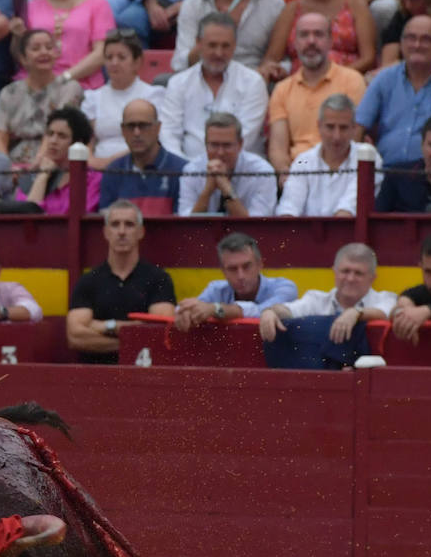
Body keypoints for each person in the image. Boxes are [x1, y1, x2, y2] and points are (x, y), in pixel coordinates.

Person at [65, 200, 176, 363]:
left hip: (145, 376)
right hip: (97, 378)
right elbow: (75, 337)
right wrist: (131, 339)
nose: (122, 231)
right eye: (115, 224)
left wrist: (103, 326)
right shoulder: (88, 281)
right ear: (106, 232)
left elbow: (161, 331)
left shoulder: (159, 278)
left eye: (129, 224)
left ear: (141, 232)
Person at [354, 15, 431, 165]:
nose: (417, 45)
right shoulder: (384, 79)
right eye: (411, 38)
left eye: (426, 39)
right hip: (385, 172)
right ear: (401, 43)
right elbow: (358, 127)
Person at [266, 11, 366, 180]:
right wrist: (288, 178)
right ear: (295, 43)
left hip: (339, 173)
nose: (311, 41)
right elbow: (277, 149)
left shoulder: (352, 80)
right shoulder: (282, 89)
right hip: (297, 172)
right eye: (304, 35)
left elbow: (352, 139)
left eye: (318, 34)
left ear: (330, 41)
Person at [159, 11, 268, 158]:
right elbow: (168, 134)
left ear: (234, 46)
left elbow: (246, 137)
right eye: (212, 45)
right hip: (186, 170)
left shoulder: (252, 82)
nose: (218, 53)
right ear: (198, 43)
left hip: (240, 170)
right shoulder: (178, 83)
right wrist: (185, 168)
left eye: (225, 46)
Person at [258, 242, 398, 344]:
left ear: (372, 278)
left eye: (358, 273)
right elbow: (289, 310)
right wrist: (271, 311)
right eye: (345, 271)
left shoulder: (387, 298)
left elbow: (384, 312)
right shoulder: (316, 299)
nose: (350, 278)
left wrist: (356, 313)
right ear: (334, 272)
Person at [276, 93, 381, 216]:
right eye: (330, 127)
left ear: (354, 128)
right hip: (304, 234)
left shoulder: (368, 158)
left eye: (343, 128)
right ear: (319, 126)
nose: (336, 136)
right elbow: (288, 208)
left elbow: (347, 211)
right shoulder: (303, 160)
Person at [0, 28, 83, 165]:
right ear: (23, 58)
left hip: (55, 160)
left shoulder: (69, 88)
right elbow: (0, 136)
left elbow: (58, 130)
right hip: (15, 162)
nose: (44, 52)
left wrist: (37, 164)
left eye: (49, 47)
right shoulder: (9, 92)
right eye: (36, 48)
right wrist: (6, 168)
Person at [171, 232, 298, 331]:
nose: (240, 275)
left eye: (247, 266)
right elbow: (194, 309)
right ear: (223, 271)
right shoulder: (216, 289)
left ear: (260, 265)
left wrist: (216, 309)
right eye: (232, 269)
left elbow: (261, 312)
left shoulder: (285, 287)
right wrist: (188, 313)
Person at [82, 27, 163, 167]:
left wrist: (110, 163)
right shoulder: (93, 98)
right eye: (109, 57)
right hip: (97, 168)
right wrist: (94, 163)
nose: (114, 63)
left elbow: (154, 141)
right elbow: (86, 143)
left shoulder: (153, 95)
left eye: (121, 57)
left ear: (137, 62)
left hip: (138, 166)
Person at [97, 98, 188, 215]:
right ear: (123, 130)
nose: (136, 133)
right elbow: (108, 224)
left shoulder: (182, 170)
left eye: (143, 125)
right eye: (130, 126)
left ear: (158, 128)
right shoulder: (113, 171)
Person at [177, 111, 276, 216]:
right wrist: (207, 191)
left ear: (240, 144)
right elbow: (186, 222)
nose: (220, 152)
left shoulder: (262, 171)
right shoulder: (192, 170)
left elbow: (257, 224)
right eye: (214, 145)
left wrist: (226, 188)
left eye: (227, 145)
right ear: (205, 144)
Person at [15, 105, 100, 213]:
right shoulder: (31, 177)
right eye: (50, 134)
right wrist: (42, 176)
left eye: (62, 136)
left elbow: (81, 215)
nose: (53, 141)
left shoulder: (93, 180)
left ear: (78, 142)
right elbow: (25, 217)